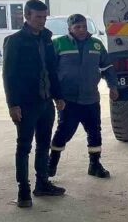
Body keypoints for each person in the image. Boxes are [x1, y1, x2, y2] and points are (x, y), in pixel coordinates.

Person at [2, 0, 66, 208]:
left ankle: (42, 183)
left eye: (44, 17)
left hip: (46, 102)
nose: (42, 21)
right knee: (24, 147)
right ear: (26, 16)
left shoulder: (47, 39)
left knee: (43, 145)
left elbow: (52, 70)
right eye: (38, 17)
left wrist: (58, 96)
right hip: (26, 104)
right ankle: (23, 191)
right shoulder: (15, 41)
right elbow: (9, 76)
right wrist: (13, 105)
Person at [47, 14, 119, 179]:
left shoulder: (96, 44)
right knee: (64, 132)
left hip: (91, 98)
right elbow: (49, 70)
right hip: (68, 99)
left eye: (84, 27)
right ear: (70, 28)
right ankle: (51, 164)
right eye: (77, 27)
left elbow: (107, 67)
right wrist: (54, 95)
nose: (81, 30)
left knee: (95, 132)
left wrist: (113, 86)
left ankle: (95, 165)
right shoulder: (58, 43)